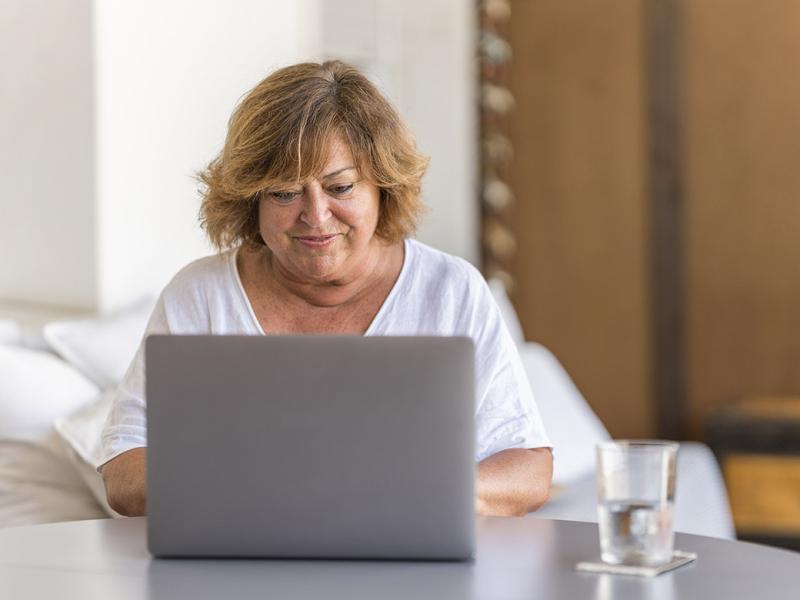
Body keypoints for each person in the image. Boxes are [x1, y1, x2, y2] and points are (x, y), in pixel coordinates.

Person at [99, 60, 553, 518]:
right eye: (284, 192)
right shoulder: (200, 295)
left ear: (383, 187)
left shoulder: (451, 291)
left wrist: (422, 495)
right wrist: (251, 492)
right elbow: (123, 471)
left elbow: (529, 469)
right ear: (251, 199)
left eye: (340, 187)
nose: (315, 216)